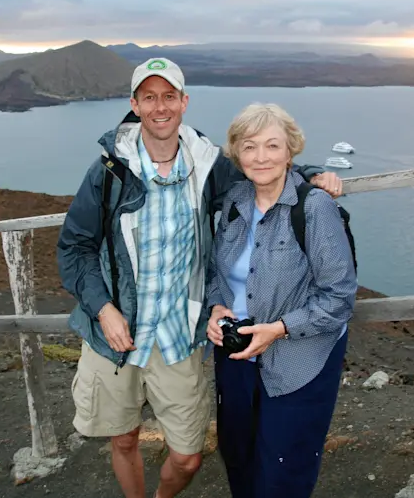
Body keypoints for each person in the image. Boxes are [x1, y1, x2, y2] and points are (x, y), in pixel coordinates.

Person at [56, 58, 343, 498]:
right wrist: (103, 309)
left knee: (188, 456)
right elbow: (73, 248)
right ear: (135, 104)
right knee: (124, 438)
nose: (160, 107)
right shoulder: (108, 171)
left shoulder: (207, 164)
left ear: (184, 102)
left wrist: (311, 175)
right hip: (116, 333)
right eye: (149, 97)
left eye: (169, 96)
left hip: (178, 334)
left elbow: (261, 167)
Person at [206, 103, 357, 498]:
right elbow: (216, 270)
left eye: (272, 146)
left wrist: (279, 329)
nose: (261, 157)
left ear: (290, 151)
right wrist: (215, 307)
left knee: (282, 473)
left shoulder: (315, 207)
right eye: (249, 146)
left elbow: (339, 297)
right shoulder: (234, 200)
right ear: (236, 154)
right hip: (236, 357)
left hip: (298, 362)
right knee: (238, 458)